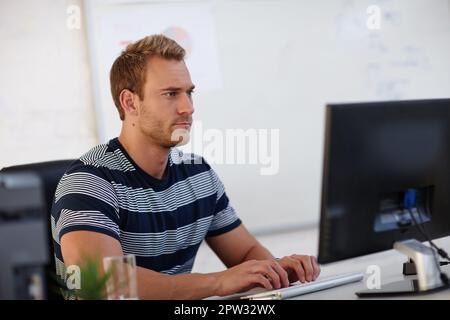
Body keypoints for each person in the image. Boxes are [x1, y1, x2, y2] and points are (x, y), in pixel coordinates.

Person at [51, 34, 320, 299]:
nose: (187, 107)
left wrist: (278, 271)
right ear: (130, 102)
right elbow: (100, 283)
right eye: (171, 94)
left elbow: (246, 254)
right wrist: (216, 283)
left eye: (189, 93)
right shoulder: (89, 181)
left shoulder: (198, 174)